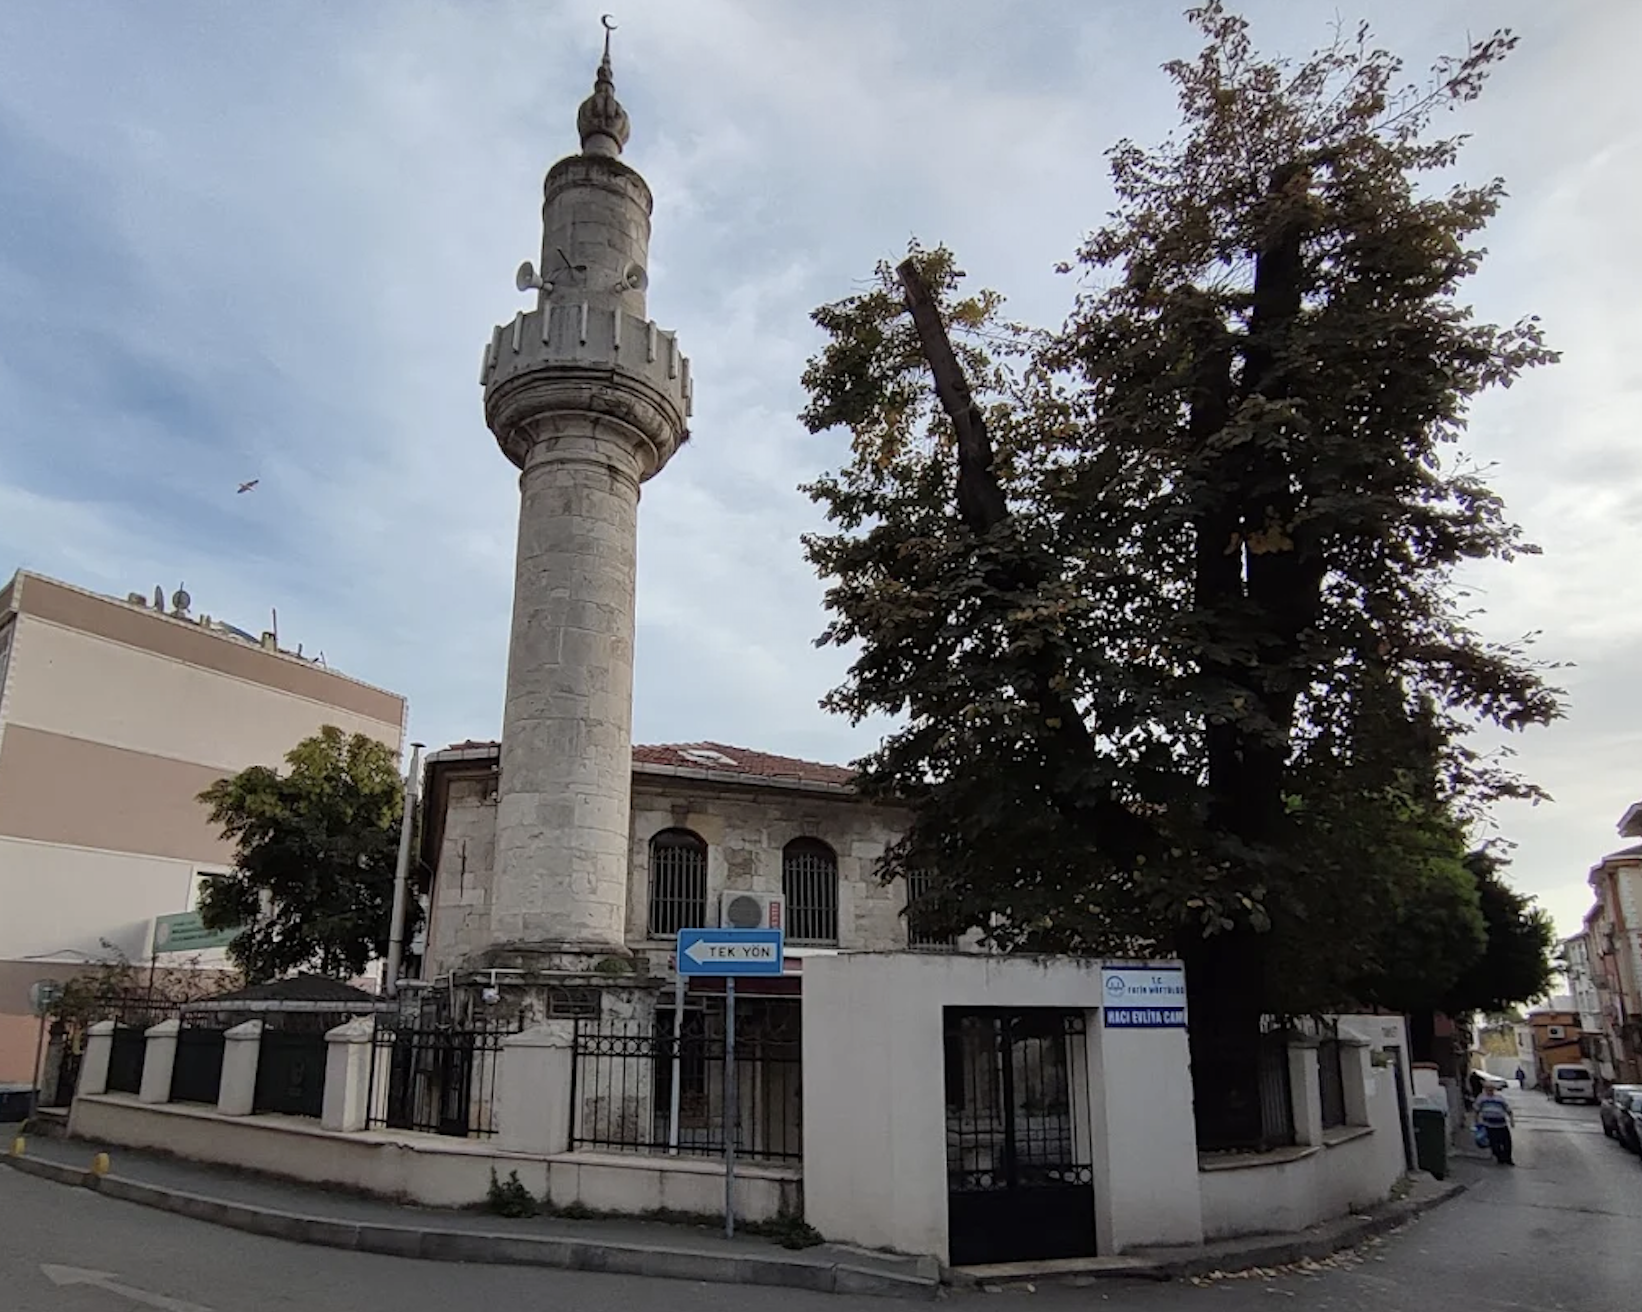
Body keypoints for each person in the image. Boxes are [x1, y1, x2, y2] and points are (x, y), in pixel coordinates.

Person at [1475, 1086, 1516, 1164]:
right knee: (1494, 1143)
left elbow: (1507, 1109)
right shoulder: (1481, 1098)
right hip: (1489, 1125)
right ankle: (1500, 1158)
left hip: (1501, 1124)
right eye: (1488, 1089)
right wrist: (1476, 1122)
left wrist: (1511, 1121)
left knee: (1506, 1142)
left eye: (1491, 1089)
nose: (1490, 1091)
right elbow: (1477, 1110)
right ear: (1485, 1090)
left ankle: (1508, 1159)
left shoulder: (1499, 1098)